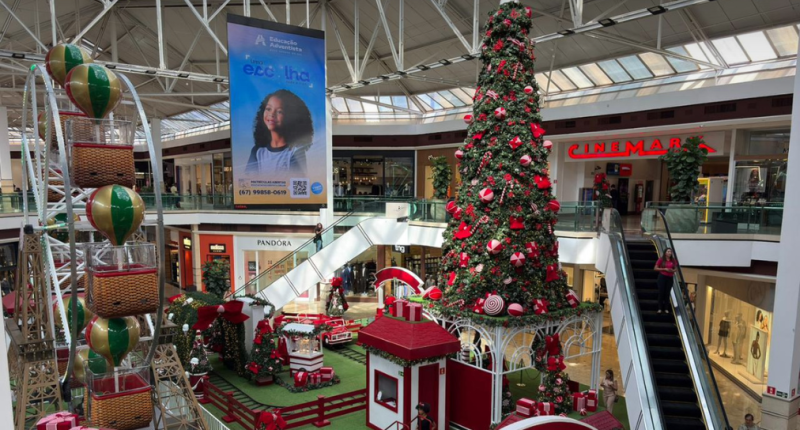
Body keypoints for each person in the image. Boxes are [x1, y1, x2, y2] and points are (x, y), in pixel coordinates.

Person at [246, 89, 313, 176]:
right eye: (268, 109)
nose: (272, 114)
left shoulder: (295, 151)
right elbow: (249, 180)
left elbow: (297, 182)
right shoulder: (257, 151)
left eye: (279, 111)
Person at [654, 248, 677, 314]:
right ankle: (660, 308)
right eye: (668, 251)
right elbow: (655, 268)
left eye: (670, 252)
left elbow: (675, 269)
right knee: (661, 292)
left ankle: (666, 308)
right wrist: (664, 269)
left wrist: (672, 270)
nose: (669, 253)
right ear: (665, 252)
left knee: (667, 293)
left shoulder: (673, 260)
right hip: (662, 277)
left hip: (670, 278)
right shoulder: (661, 259)